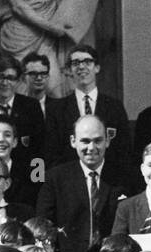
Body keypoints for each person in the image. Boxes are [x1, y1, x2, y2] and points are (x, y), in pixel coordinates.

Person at [35, 115, 119, 252]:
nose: (91, 147)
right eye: (85, 141)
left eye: (98, 141)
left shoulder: (125, 176)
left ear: (107, 141)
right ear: (73, 141)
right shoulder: (56, 178)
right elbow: (44, 224)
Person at [44, 44, 133, 189]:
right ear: (69, 70)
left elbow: (124, 154)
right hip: (69, 186)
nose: (81, 67)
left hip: (109, 185)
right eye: (75, 63)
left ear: (97, 68)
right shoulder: (56, 110)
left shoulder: (114, 107)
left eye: (87, 62)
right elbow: (51, 155)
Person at [0, 0, 95, 99]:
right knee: (22, 86)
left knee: (54, 86)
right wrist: (50, 27)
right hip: (19, 35)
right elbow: (19, 8)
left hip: (46, 33)